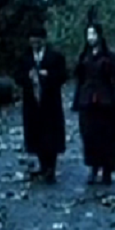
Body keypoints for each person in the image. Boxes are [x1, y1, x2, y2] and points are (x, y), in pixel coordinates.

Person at [14, 24, 68, 184]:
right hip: (32, 103)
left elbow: (63, 76)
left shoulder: (55, 57)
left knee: (51, 135)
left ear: (43, 41)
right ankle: (43, 165)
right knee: (35, 134)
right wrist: (28, 77)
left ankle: (51, 167)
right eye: (32, 41)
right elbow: (17, 76)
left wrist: (49, 75)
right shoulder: (25, 58)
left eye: (37, 41)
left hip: (50, 102)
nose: (34, 44)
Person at [72, 23, 115, 185]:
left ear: (100, 36)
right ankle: (93, 167)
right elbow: (79, 81)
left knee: (107, 136)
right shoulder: (84, 57)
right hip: (87, 102)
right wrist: (78, 101)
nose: (90, 38)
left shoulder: (111, 57)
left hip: (106, 103)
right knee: (89, 136)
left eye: (93, 34)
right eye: (88, 35)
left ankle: (107, 169)